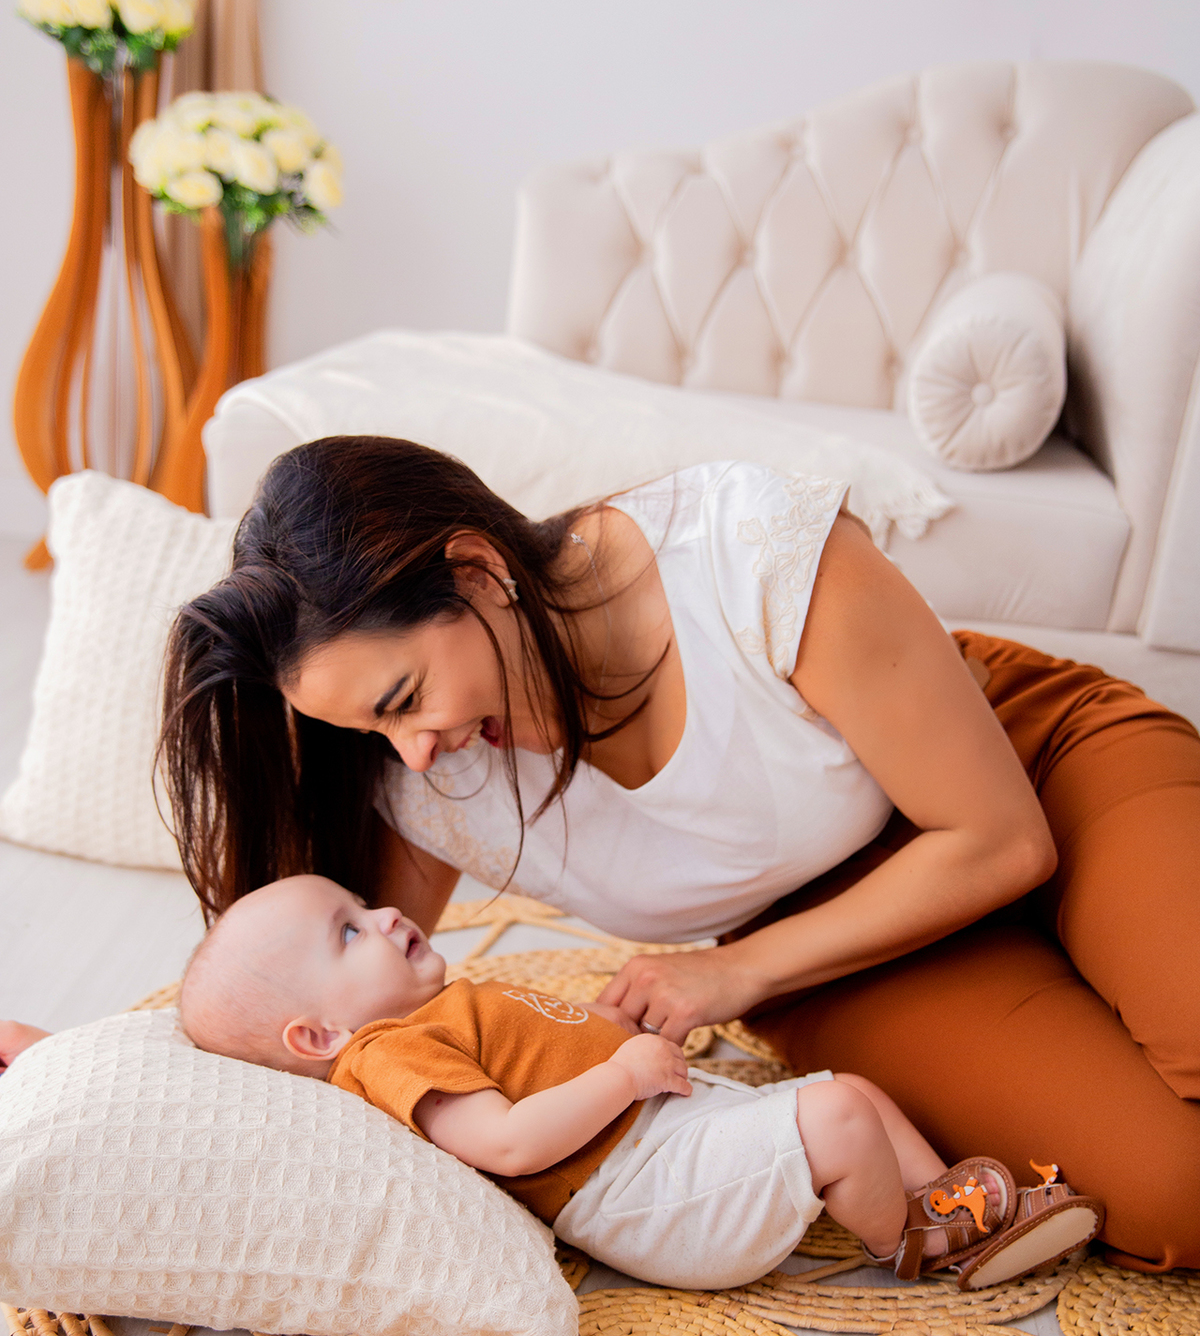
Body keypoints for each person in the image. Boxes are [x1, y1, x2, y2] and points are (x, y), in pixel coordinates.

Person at [138, 436, 1200, 1275]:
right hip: (841, 943)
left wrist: (727, 974)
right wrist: (112, 1064)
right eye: (374, 733)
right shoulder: (425, 773)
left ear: (476, 568)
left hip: (1022, 767)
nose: (411, 751)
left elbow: (1001, 840)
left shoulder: (748, 550)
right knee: (1175, 1190)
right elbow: (311, 1017)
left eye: (405, 699)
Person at [158, 870, 1092, 1290]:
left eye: (362, 903)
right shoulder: (388, 1051)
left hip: (664, 1139)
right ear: (318, 1032)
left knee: (852, 1088)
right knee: (841, 1113)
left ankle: (943, 1196)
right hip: (638, 1191)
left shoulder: (439, 1011)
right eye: (349, 931)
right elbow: (509, 1143)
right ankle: (923, 1249)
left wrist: (615, 1039)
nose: (390, 913)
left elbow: (543, 1059)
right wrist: (623, 1076)